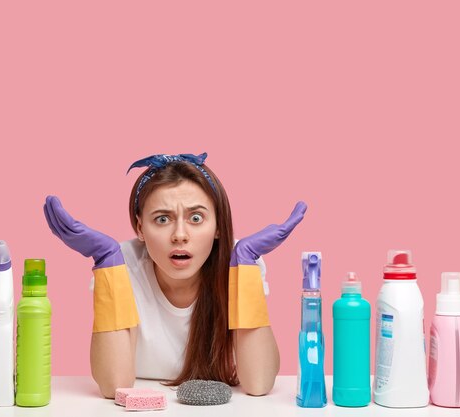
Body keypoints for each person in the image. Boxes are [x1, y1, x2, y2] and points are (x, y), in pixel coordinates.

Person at [43, 153, 306, 398]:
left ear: (217, 226)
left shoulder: (241, 266)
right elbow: (115, 386)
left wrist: (246, 265)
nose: (180, 235)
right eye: (162, 219)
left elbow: (259, 383)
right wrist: (106, 262)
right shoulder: (120, 266)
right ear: (140, 227)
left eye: (196, 218)